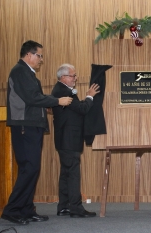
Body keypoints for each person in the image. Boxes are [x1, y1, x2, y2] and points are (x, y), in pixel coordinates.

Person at [2, 40, 73, 225]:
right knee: (28, 168)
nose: (41, 59)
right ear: (29, 55)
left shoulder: (28, 73)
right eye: (39, 55)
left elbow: (32, 100)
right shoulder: (20, 71)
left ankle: (26, 210)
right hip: (25, 126)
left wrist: (46, 107)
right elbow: (32, 98)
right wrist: (56, 101)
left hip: (32, 125)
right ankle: (12, 210)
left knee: (32, 169)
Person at [51, 64, 100, 218]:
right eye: (73, 75)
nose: (75, 78)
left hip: (64, 139)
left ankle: (64, 206)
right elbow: (82, 108)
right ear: (63, 77)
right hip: (69, 139)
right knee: (73, 174)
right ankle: (76, 209)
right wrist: (90, 96)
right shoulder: (63, 91)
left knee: (66, 173)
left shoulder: (60, 89)